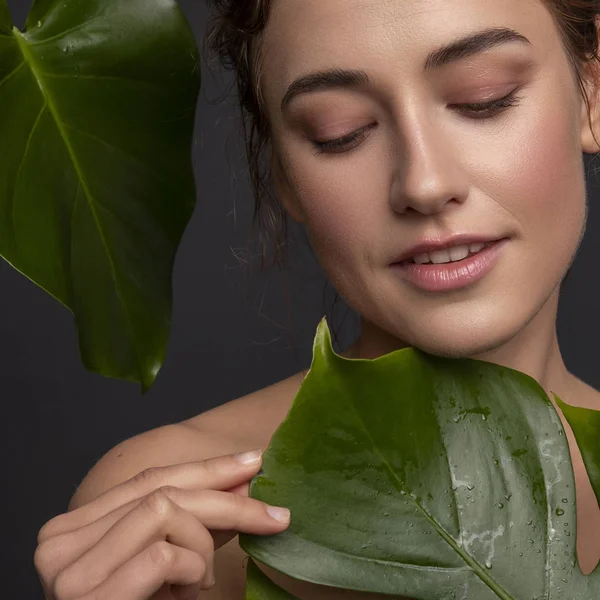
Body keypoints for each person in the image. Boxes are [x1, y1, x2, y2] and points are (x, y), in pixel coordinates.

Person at [33, 0, 600, 598]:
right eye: (340, 131)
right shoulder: (171, 518)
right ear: (282, 171)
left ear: (590, 89)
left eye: (482, 98)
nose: (425, 183)